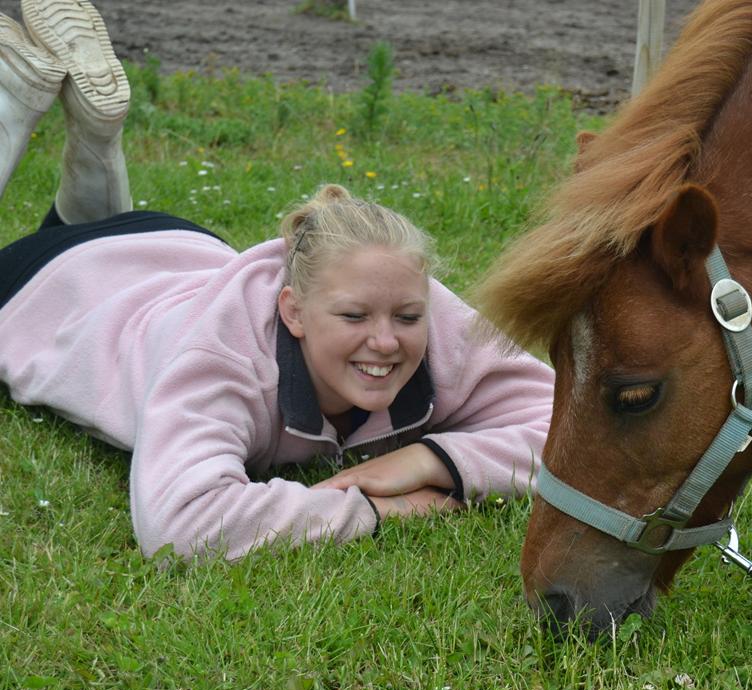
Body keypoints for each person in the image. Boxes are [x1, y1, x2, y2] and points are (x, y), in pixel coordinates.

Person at [0, 0, 554, 560]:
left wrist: (431, 460)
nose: (387, 340)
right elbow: (182, 525)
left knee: (87, 223)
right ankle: (15, 106)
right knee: (59, 237)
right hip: (48, 286)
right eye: (354, 317)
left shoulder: (409, 295)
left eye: (406, 317)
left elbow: (579, 427)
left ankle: (91, 135)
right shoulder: (220, 355)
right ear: (292, 311)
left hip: (178, 246)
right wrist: (375, 508)